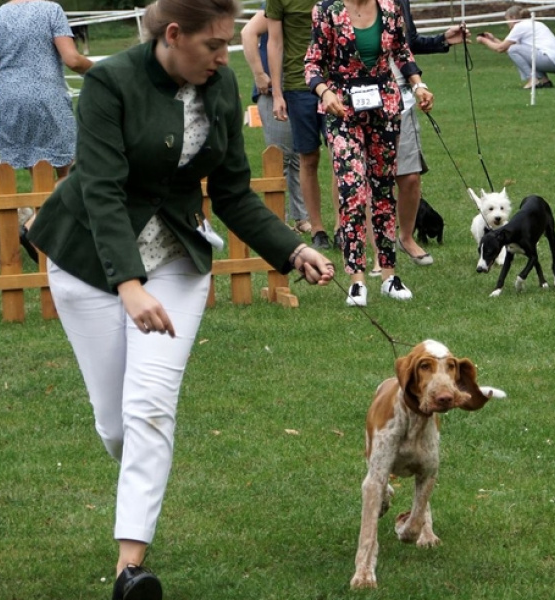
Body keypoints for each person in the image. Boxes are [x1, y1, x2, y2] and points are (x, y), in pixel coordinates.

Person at [24, 0, 335, 596]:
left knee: (150, 408)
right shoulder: (108, 83)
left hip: (176, 264)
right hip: (88, 262)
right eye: (214, 45)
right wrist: (127, 284)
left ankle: (129, 572)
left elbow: (234, 193)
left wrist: (291, 250)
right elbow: (103, 192)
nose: (225, 57)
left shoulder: (219, 88)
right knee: (116, 426)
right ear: (173, 35)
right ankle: (139, 484)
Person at [304, 0, 433, 306]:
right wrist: (325, 92)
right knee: (353, 192)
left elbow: (402, 51)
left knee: (384, 191)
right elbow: (311, 65)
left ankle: (389, 276)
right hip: (342, 109)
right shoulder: (327, 10)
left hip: (384, 107)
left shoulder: (390, 8)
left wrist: (418, 86)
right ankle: (357, 280)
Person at [0, 0, 92, 179]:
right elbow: (72, 60)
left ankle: (39, 207)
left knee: (37, 172)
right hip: (48, 96)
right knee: (65, 170)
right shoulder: (52, 11)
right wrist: (101, 71)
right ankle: (63, 205)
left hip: (10, 99)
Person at [394, 0, 466, 265]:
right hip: (362, 95)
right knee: (371, 181)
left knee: (410, 177)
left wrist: (441, 40)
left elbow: (405, 44)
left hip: (402, 94)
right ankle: (379, 253)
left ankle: (406, 237)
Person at [266, 0, 333, 249]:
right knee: (309, 156)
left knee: (342, 155)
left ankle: (343, 225)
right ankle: (317, 229)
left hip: (335, 82)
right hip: (298, 84)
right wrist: (277, 93)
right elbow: (275, 42)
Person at [240, 9, 309, 234]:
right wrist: (259, 74)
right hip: (272, 92)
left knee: (298, 157)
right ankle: (279, 219)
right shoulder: (276, 6)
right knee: (279, 157)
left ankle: (300, 217)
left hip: (297, 88)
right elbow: (247, 32)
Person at [475, 5, 555, 89]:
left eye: (507, 20)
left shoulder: (519, 26)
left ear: (513, 18)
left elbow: (501, 49)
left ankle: (532, 80)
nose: (507, 23)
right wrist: (493, 39)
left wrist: (484, 40)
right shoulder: (533, 23)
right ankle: (544, 81)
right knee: (515, 50)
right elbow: (509, 48)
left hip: (550, 60)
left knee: (513, 50)